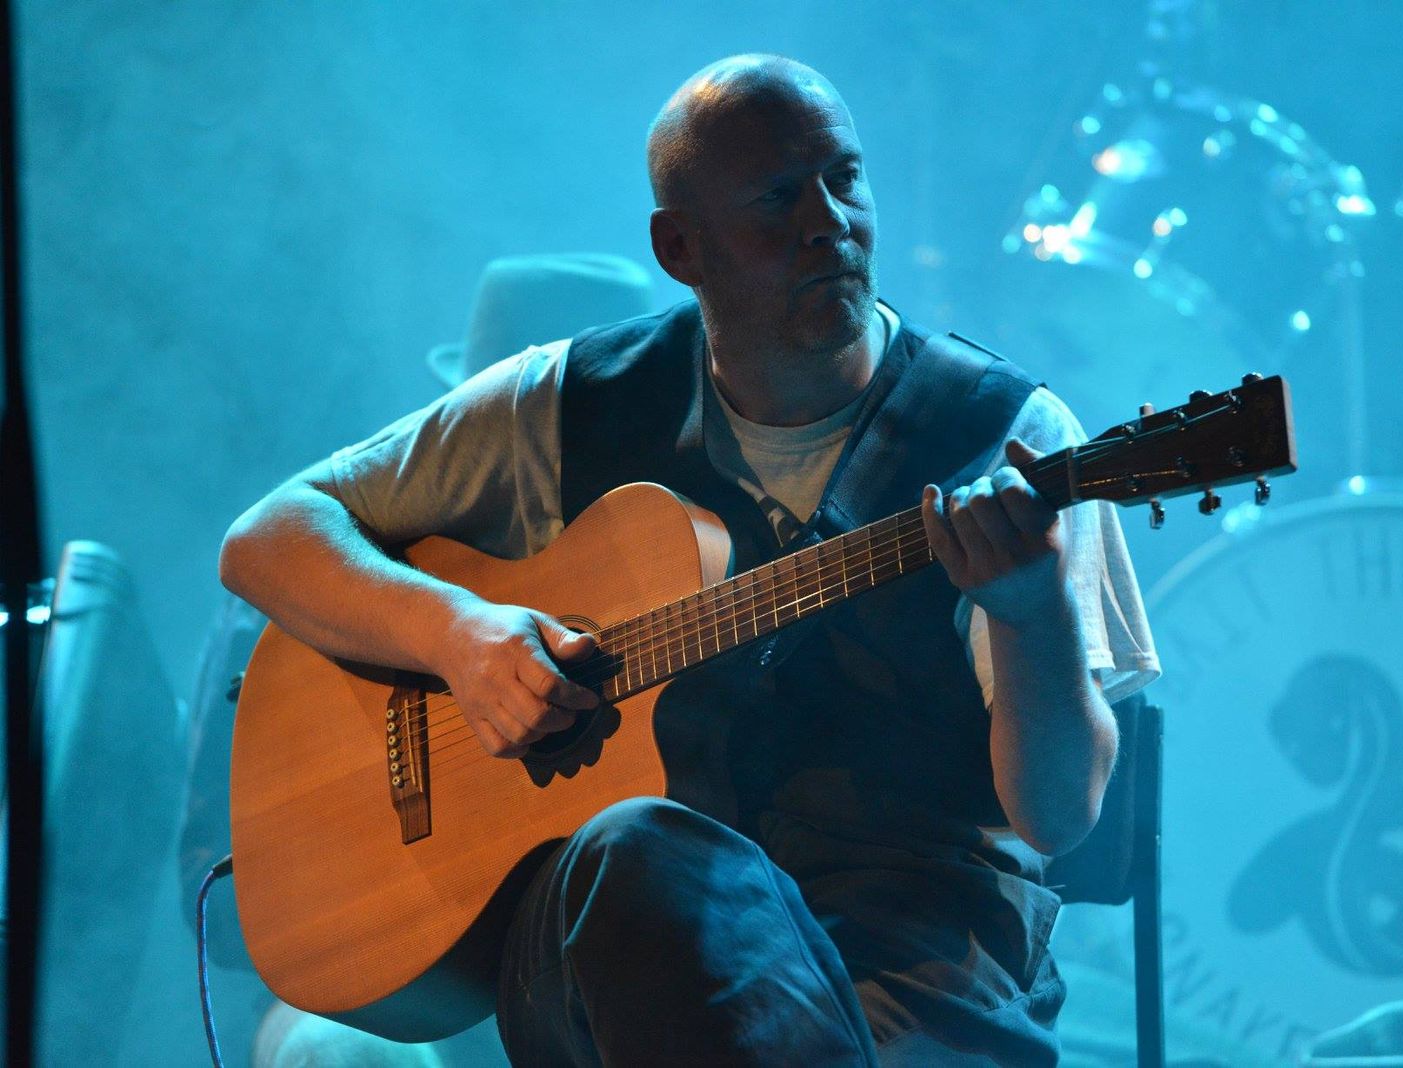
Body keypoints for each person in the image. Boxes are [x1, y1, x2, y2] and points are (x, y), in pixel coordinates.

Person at [219, 54, 1158, 1066]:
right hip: (624, 960)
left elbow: (1058, 818)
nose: (828, 222)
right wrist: (460, 637)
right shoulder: (573, 401)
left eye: (844, 178)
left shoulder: (1006, 440)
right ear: (679, 247)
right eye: (776, 197)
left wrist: (1030, 613)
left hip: (912, 960)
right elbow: (268, 537)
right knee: (634, 852)